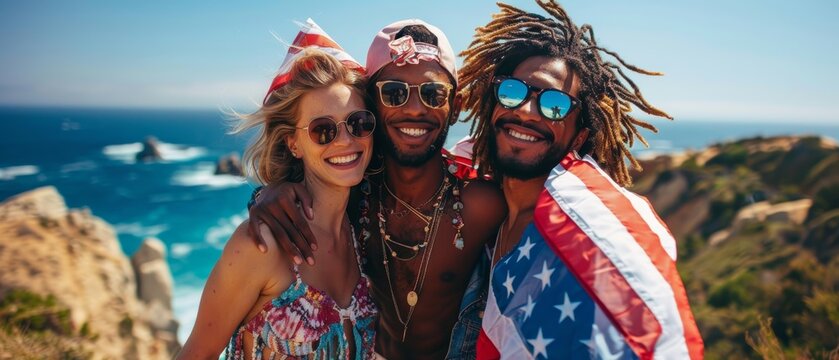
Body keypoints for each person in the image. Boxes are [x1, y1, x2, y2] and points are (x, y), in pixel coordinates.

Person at [455, 1, 705, 358]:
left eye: (554, 105)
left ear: (578, 138)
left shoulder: (586, 223)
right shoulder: (477, 198)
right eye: (513, 91)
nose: (525, 111)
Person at [248, 20, 507, 359]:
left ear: (454, 107)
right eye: (394, 93)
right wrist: (266, 194)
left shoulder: (483, 204)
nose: (414, 109)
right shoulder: (351, 195)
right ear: (371, 102)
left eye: (433, 94)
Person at [178, 23, 378, 359]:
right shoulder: (259, 246)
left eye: (358, 122)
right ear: (293, 143)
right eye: (323, 130)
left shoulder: (366, 230)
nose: (345, 140)